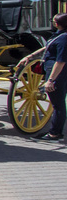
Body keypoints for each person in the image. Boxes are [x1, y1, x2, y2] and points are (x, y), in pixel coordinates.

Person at [33, 12, 67, 142]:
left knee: (58, 105)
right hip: (55, 71)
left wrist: (51, 80)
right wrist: (30, 56)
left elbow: (61, 61)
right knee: (57, 104)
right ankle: (54, 131)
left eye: (53, 21)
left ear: (58, 24)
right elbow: (46, 47)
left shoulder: (64, 39)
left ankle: (55, 134)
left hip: (58, 74)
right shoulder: (59, 35)